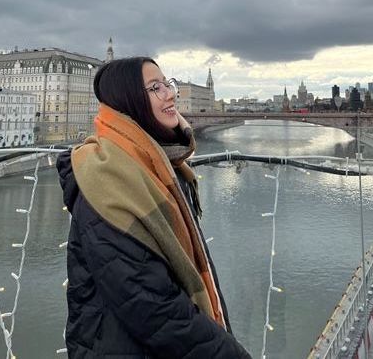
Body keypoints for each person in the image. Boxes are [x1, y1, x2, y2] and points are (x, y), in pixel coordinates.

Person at [57, 56, 252, 358]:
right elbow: (152, 307)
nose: (170, 94)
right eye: (155, 88)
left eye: (167, 84)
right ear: (130, 101)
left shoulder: (160, 163)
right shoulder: (107, 179)